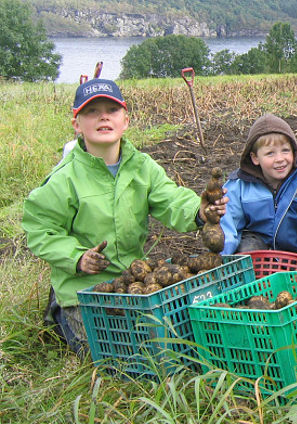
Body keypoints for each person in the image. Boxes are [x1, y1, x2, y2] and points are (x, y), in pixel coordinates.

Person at [22, 78, 227, 355]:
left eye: (112, 110)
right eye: (92, 111)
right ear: (76, 124)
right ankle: (61, 314)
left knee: (174, 341)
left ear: (125, 121)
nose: (103, 117)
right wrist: (77, 258)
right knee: (115, 355)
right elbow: (41, 230)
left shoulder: (142, 167)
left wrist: (198, 211)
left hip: (132, 282)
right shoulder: (64, 178)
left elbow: (171, 199)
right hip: (84, 291)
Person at [219, 113, 297, 256]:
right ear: (255, 158)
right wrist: (222, 258)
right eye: (270, 153)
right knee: (246, 247)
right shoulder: (238, 187)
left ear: (294, 152)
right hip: (259, 252)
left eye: (285, 151)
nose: (279, 159)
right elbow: (227, 227)